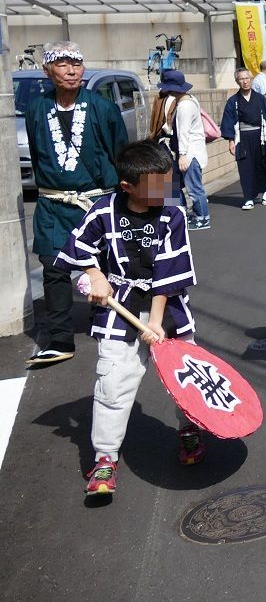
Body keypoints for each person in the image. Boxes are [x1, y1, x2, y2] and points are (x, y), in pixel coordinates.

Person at [54, 140, 204, 496]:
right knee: (113, 385)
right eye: (157, 185)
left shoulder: (173, 215)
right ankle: (105, 457)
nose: (166, 191)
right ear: (128, 187)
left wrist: (155, 322)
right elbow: (81, 247)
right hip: (118, 310)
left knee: (186, 378)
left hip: (165, 311)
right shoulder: (103, 210)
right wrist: (95, 274)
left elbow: (171, 270)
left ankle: (189, 429)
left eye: (168, 182)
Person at [25, 40, 128, 367]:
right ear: (47, 70)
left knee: (108, 265)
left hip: (97, 200)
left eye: (77, 64)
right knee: (53, 267)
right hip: (54, 203)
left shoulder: (102, 108)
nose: (71, 71)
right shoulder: (37, 109)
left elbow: (121, 153)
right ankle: (59, 339)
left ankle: (109, 319)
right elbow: (38, 153)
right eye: (62, 64)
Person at [149, 69, 211, 231]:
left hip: (190, 154)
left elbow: (184, 132)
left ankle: (202, 218)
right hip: (192, 151)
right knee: (178, 185)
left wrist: (182, 155)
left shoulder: (184, 106)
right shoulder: (190, 100)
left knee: (194, 188)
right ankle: (187, 215)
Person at [221, 68, 266, 210]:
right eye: (241, 79)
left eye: (247, 78)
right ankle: (248, 197)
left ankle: (264, 192)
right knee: (245, 167)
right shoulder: (233, 101)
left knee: (263, 165)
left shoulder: (260, 99)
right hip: (242, 138)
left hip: (260, 136)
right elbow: (228, 121)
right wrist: (230, 141)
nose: (245, 81)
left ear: (251, 79)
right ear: (237, 81)